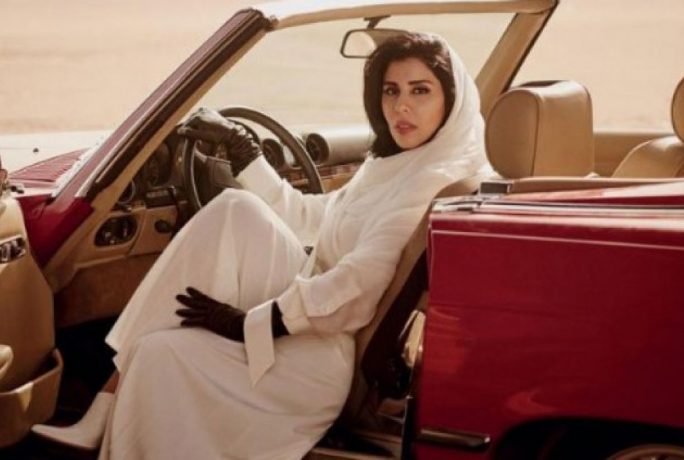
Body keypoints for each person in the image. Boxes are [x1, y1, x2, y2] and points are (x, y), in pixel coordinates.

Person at [33, 32, 487, 459]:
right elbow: (309, 218)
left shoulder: (426, 180)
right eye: (391, 91)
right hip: (314, 317)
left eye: (420, 91)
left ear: (452, 100)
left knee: (160, 350)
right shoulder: (395, 164)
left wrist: (256, 321)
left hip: (321, 355)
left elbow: (358, 286)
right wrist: (243, 150)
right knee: (235, 211)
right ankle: (107, 403)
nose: (401, 106)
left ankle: (104, 407)